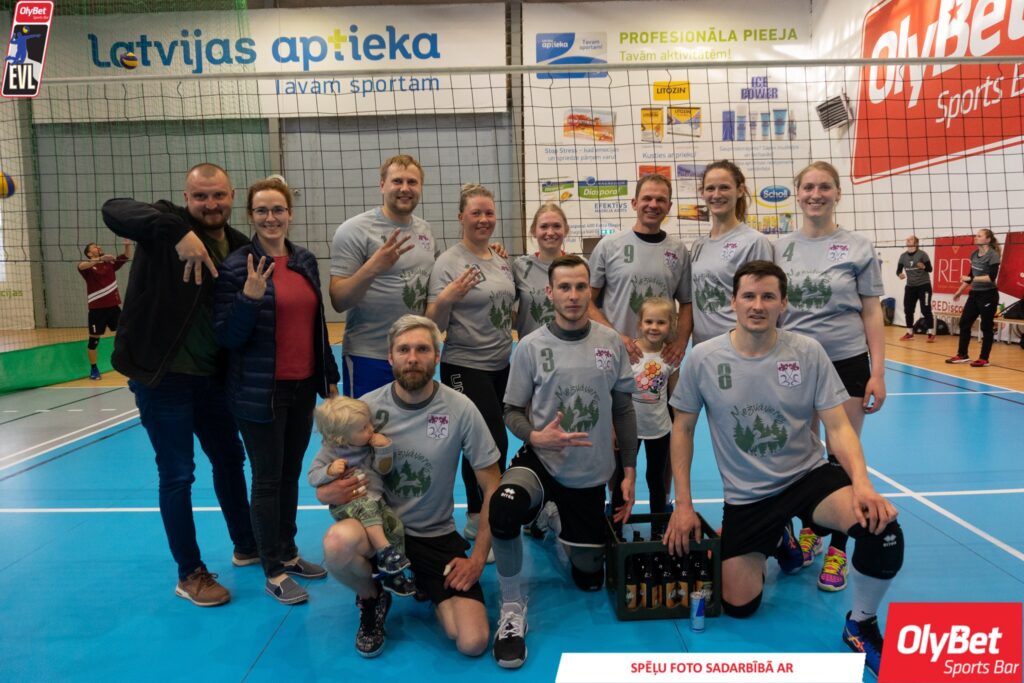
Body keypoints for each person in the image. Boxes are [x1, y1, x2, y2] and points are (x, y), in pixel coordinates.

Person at [664, 260, 904, 679]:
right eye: (749, 296)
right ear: (732, 301)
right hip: (748, 495)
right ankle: (780, 539)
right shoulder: (703, 358)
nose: (758, 305)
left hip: (807, 477)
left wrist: (862, 484)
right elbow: (682, 429)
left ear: (783, 303)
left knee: (882, 528)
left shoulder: (807, 351)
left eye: (768, 296)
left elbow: (837, 427)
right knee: (740, 606)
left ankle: (861, 623)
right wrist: (682, 505)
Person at [101, 163, 257, 607]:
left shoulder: (240, 246)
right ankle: (190, 573)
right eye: (200, 196)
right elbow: (113, 209)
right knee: (177, 473)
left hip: (212, 379)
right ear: (187, 198)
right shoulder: (162, 226)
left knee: (230, 459)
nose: (210, 204)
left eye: (218, 195)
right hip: (163, 378)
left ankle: (248, 545)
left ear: (232, 196)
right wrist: (177, 232)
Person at [315, 315, 501, 659]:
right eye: (403, 350)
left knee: (471, 641)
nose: (412, 358)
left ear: (437, 356)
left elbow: (493, 486)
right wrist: (328, 492)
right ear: (390, 357)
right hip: (379, 531)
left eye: (422, 349)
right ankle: (372, 596)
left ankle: (424, 584)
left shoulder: (460, 409)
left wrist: (477, 559)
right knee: (337, 544)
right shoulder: (366, 409)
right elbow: (322, 480)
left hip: (434, 534)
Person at [489, 254, 638, 669]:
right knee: (503, 507)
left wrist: (629, 470)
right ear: (549, 292)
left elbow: (624, 410)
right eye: (565, 287)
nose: (573, 296)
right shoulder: (531, 346)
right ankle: (512, 607)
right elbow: (511, 410)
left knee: (589, 580)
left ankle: (551, 518)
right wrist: (536, 435)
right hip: (541, 458)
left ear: (590, 291)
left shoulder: (610, 343)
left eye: (580, 287)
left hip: (588, 473)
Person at [213, 177, 339, 605]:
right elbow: (227, 337)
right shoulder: (237, 267)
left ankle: (288, 551)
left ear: (290, 214)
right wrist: (249, 298)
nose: (271, 217)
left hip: (303, 387)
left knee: (289, 474)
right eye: (262, 210)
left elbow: (316, 324)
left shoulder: (304, 261)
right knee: (267, 478)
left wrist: (327, 373)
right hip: (258, 393)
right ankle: (272, 569)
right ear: (250, 216)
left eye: (278, 209)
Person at [773, 161, 886, 592]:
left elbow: (872, 312)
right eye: (808, 187)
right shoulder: (780, 247)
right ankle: (811, 530)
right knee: (801, 455)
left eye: (824, 187)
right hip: (794, 364)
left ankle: (839, 549)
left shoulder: (858, 246)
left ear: (838, 193)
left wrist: (878, 372)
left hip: (846, 360)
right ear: (797, 193)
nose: (815, 194)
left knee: (842, 456)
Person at [427, 184, 516, 543]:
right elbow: (432, 323)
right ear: (460, 216)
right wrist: (446, 298)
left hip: (501, 364)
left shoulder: (501, 259)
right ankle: (478, 519)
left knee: (499, 440)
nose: (483, 219)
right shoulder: (448, 263)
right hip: (465, 365)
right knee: (488, 442)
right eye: (476, 213)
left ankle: (496, 511)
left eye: (489, 213)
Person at [329, 155, 438, 398]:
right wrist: (373, 267)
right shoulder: (354, 230)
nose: (405, 188)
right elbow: (338, 300)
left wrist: (490, 251)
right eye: (397, 181)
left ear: (420, 187)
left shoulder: (426, 231)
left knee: (414, 421)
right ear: (382, 185)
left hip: (413, 356)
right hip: (369, 355)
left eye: (412, 182)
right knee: (365, 422)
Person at [308, 396, 416, 597]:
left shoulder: (367, 445)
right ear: (342, 438)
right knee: (367, 507)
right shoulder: (331, 451)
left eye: (369, 424)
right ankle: (385, 550)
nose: (371, 429)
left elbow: (382, 469)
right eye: (363, 428)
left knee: (395, 527)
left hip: (375, 500)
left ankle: (393, 572)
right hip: (349, 504)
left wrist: (383, 448)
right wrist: (329, 471)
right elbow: (312, 477)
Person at [589, 173, 693, 365]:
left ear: (669, 206)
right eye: (647, 198)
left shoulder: (678, 250)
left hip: (661, 358)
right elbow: (587, 301)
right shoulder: (609, 245)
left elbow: (687, 303)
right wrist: (615, 337)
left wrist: (681, 342)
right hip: (617, 352)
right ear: (634, 203)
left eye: (660, 200)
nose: (653, 205)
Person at [690, 160, 773, 346]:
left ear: (740, 190)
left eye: (724, 187)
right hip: (702, 348)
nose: (716, 195)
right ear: (702, 193)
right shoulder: (698, 245)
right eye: (710, 188)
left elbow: (764, 302)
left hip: (739, 347)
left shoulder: (754, 242)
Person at [620, 296, 679, 527]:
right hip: (629, 430)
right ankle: (617, 526)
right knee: (625, 475)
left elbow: (675, 397)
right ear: (640, 323)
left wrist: (679, 429)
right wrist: (614, 428)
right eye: (649, 321)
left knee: (656, 478)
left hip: (659, 429)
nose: (654, 327)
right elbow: (618, 393)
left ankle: (658, 526)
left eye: (661, 322)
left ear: (670, 325)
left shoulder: (670, 358)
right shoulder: (629, 353)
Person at [512, 203, 571, 338]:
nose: (550, 232)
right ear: (534, 231)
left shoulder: (578, 266)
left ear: (566, 230)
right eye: (544, 226)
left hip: (569, 346)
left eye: (556, 226)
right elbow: (503, 306)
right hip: (530, 347)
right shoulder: (520, 267)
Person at [78, 238, 132, 380]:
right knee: (94, 341)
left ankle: (128, 364)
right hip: (97, 310)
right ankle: (94, 369)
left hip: (113, 308)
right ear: (89, 254)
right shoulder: (88, 267)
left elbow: (126, 256)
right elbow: (81, 266)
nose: (99, 247)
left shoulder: (109, 263)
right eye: (94, 246)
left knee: (124, 335)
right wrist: (101, 258)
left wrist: (127, 245)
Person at [947, 229, 1002, 367]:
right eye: (976, 235)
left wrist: (970, 279)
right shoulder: (974, 254)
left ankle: (984, 358)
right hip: (974, 294)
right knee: (964, 323)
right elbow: (971, 274)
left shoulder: (993, 255)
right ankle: (962, 355)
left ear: (988, 239)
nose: (975, 237)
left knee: (986, 326)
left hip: (988, 295)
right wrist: (959, 291)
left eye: (979, 236)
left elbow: (991, 277)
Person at [896, 235, 935, 342]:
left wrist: (923, 266)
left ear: (916, 243)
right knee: (908, 310)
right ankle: (909, 332)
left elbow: (930, 269)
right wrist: (900, 274)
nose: (908, 240)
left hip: (924, 286)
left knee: (925, 309)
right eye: (907, 239)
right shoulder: (903, 256)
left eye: (911, 239)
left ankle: (931, 333)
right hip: (910, 287)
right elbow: (898, 270)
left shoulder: (922, 254)